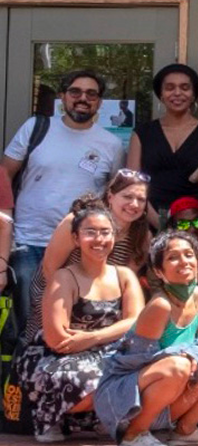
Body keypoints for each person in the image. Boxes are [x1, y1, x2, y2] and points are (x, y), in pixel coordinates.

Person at [2, 69, 125, 338]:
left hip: (80, 247)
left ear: (100, 102)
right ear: (62, 97)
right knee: (28, 321)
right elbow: (5, 175)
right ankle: (26, 376)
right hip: (29, 240)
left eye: (91, 94)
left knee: (73, 320)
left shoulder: (112, 144)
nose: (83, 98)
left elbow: (112, 198)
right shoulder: (35, 128)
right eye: (75, 92)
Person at [94, 231, 198, 446]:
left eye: (188, 254)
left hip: (175, 389)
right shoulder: (160, 306)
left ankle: (185, 430)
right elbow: (135, 362)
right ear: (158, 271)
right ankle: (133, 434)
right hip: (126, 401)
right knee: (178, 366)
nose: (184, 261)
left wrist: (193, 358)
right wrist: (186, 357)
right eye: (173, 257)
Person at [15, 205, 144, 443]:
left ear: (114, 236)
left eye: (105, 232)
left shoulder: (125, 275)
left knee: (143, 374)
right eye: (90, 232)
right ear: (75, 238)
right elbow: (57, 340)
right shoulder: (63, 277)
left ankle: (99, 418)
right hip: (57, 358)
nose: (99, 239)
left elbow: (136, 321)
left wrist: (91, 337)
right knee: (94, 380)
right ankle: (52, 415)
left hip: (107, 353)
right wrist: (106, 335)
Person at [26, 170, 151, 344]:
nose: (134, 204)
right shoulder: (76, 222)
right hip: (56, 294)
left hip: (101, 304)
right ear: (110, 196)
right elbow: (50, 268)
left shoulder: (142, 236)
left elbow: (126, 285)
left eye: (141, 199)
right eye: (127, 197)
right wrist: (67, 309)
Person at [127, 63, 198, 219]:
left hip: (197, 224)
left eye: (185, 88)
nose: (177, 93)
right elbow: (132, 185)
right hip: (147, 222)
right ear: (161, 95)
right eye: (170, 88)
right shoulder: (142, 134)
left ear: (193, 95)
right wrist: (157, 223)